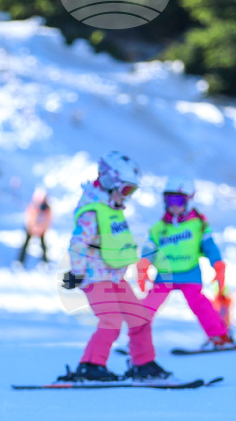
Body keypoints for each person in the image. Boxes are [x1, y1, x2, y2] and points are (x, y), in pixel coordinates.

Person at [60, 152, 171, 382]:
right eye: (127, 190)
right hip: (93, 277)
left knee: (139, 318)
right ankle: (90, 366)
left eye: (132, 191)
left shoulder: (110, 208)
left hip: (113, 277)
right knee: (111, 320)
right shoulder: (92, 211)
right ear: (110, 183)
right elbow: (78, 244)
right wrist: (77, 274)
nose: (128, 196)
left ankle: (143, 364)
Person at [138, 176, 235, 350]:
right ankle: (136, 341)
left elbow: (209, 246)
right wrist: (144, 263)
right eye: (170, 200)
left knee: (200, 304)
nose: (174, 205)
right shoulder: (159, 227)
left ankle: (219, 337)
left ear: (189, 200)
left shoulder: (198, 225)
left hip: (190, 273)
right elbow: (149, 248)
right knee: (148, 305)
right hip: (165, 275)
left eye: (179, 200)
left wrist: (217, 263)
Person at [18, 188, 52, 265]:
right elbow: (29, 217)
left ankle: (45, 262)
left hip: (41, 230)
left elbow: (49, 219)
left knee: (43, 246)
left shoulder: (47, 208)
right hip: (31, 229)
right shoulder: (34, 206)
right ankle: (20, 261)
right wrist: (30, 226)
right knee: (25, 245)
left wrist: (44, 228)